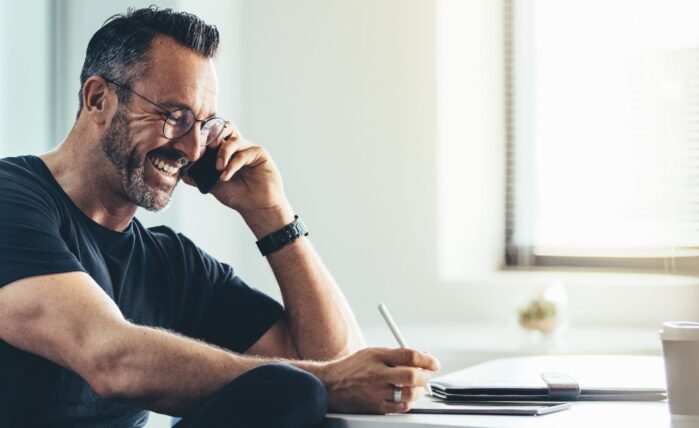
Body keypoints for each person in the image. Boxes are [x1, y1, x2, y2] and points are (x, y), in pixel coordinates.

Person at [0, 7, 439, 428]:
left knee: (294, 393)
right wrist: (328, 382)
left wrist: (271, 215)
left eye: (205, 126)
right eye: (175, 117)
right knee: (297, 388)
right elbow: (110, 359)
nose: (193, 148)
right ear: (98, 99)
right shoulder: (10, 199)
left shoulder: (172, 265)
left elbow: (334, 363)